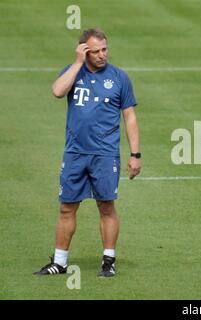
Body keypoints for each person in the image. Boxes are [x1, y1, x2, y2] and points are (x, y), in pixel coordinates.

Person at [34, 28, 141, 277]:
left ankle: (108, 261)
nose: (103, 55)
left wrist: (136, 155)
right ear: (84, 50)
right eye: (96, 51)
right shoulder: (73, 72)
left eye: (105, 49)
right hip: (75, 154)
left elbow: (130, 117)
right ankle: (60, 262)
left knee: (106, 206)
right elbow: (58, 91)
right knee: (66, 208)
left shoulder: (119, 78)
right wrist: (77, 63)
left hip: (105, 154)